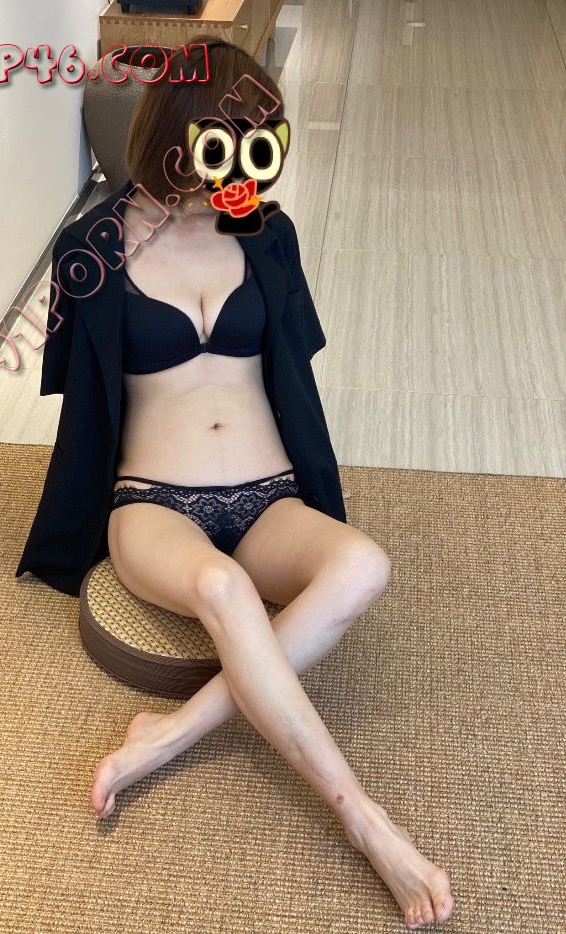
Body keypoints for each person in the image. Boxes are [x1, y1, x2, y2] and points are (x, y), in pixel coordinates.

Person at [90, 37, 454, 931]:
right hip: (156, 504)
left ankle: (168, 733)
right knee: (223, 587)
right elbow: (85, 400)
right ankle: (362, 818)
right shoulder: (94, 247)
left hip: (269, 497)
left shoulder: (268, 232)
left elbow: (294, 359)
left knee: (364, 564)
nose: (246, 160)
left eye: (261, 137)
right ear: (177, 133)